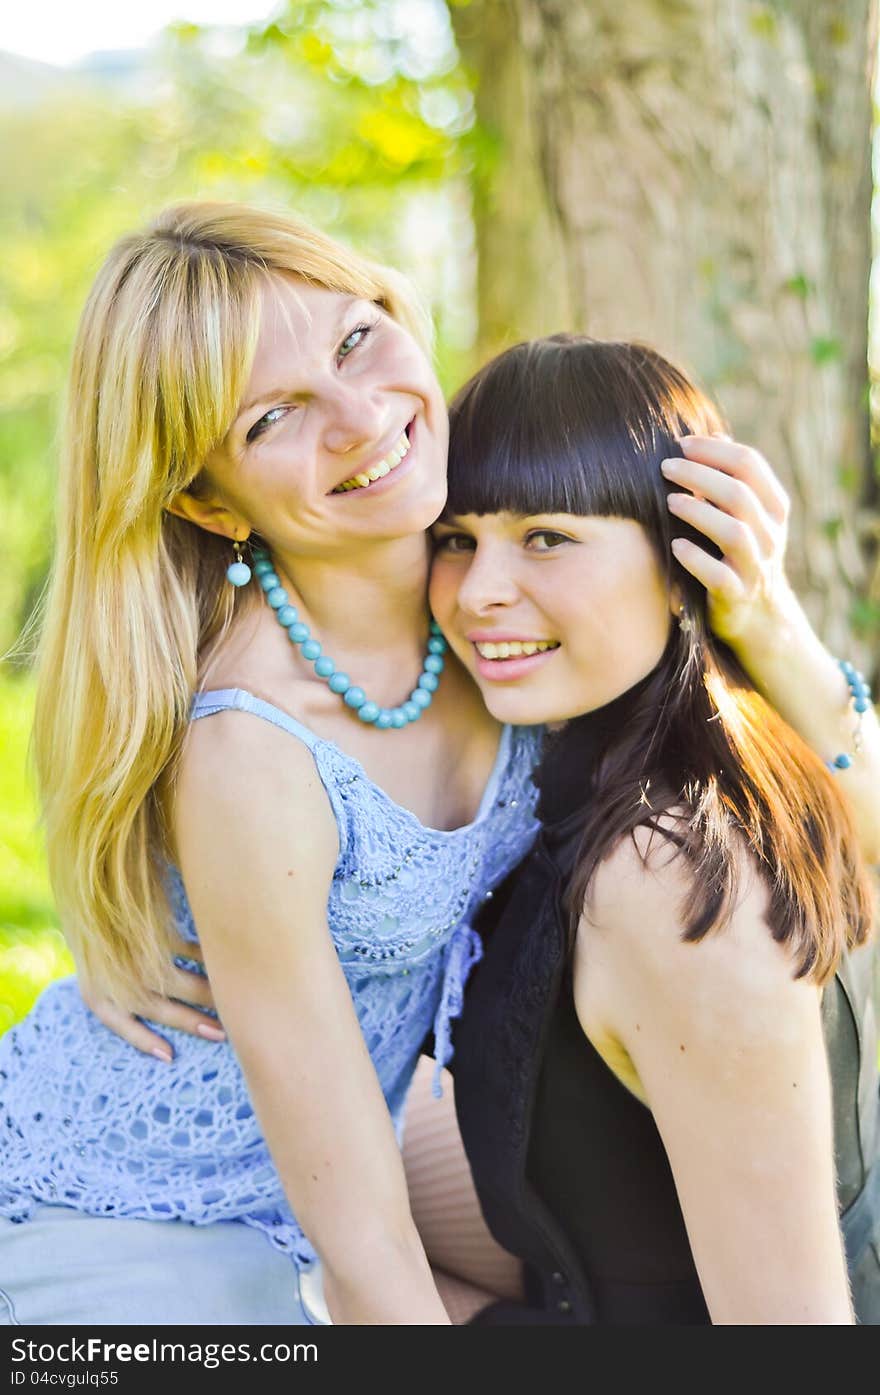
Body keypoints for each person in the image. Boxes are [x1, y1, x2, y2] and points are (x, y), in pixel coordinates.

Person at [2, 202, 875, 1326]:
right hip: (150, 1193)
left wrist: (768, 623)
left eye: (355, 340)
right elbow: (364, 1247)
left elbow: (866, 844)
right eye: (273, 415)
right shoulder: (256, 753)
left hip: (363, 1134)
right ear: (207, 501)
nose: (361, 420)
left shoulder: (482, 595)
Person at [426, 334, 880, 1324]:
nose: (477, 592)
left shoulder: (668, 876)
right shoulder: (628, 764)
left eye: (544, 536)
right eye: (456, 538)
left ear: (688, 564)